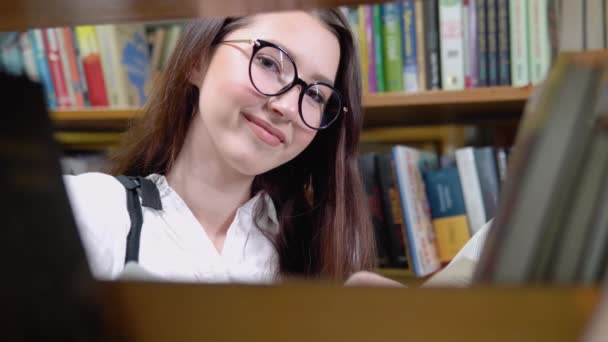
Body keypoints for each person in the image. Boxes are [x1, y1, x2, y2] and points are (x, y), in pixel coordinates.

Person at [64, 9, 486, 286]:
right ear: (197, 60)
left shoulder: (317, 255)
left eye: (317, 95)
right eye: (268, 62)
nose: (286, 106)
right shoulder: (89, 212)